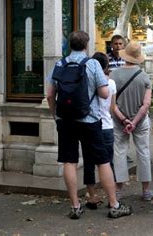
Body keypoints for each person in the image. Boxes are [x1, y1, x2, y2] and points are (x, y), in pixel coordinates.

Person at [46, 31, 132, 219]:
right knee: (102, 161)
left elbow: (50, 94)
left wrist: (55, 115)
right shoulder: (92, 64)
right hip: (90, 120)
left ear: (69, 45)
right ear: (86, 45)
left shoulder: (59, 64)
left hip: (66, 120)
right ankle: (114, 204)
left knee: (69, 161)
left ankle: (75, 206)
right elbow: (103, 93)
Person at [110, 41, 153, 201]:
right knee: (143, 152)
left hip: (118, 121)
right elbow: (146, 105)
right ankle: (146, 190)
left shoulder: (114, 75)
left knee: (119, 153)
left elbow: (112, 104)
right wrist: (134, 122)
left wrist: (124, 120)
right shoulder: (144, 77)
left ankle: (118, 190)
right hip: (140, 121)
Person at [83, 52, 116, 210]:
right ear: (106, 66)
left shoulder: (87, 82)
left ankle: (92, 196)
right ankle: (112, 198)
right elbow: (112, 107)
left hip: (90, 125)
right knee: (107, 163)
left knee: (89, 162)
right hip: (107, 126)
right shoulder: (111, 83)